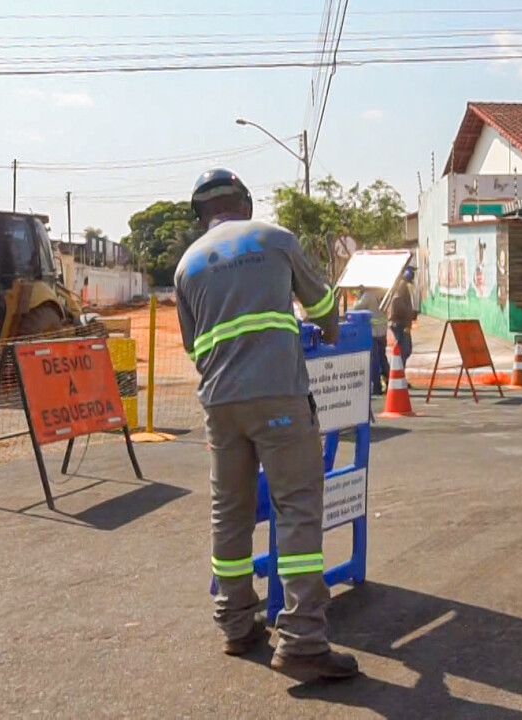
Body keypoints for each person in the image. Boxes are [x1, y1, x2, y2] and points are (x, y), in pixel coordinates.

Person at [174, 168, 359, 681]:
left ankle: (236, 624)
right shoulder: (276, 239)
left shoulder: (187, 265)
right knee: (297, 506)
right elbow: (323, 308)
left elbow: (193, 345)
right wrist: (320, 327)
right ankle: (301, 640)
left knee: (229, 511)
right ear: (245, 203)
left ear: (202, 215)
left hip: (220, 404)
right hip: (277, 393)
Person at [353, 286, 390, 395]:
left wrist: (358, 297)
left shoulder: (367, 295)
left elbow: (356, 308)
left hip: (373, 331)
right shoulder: (384, 291)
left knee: (374, 360)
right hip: (383, 329)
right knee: (383, 357)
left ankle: (377, 387)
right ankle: (390, 381)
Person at [389, 268, 417, 367]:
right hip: (400, 323)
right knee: (404, 350)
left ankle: (399, 373)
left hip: (402, 323)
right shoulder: (402, 286)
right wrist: (407, 316)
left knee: (405, 349)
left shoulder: (403, 285)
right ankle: (397, 373)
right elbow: (397, 302)